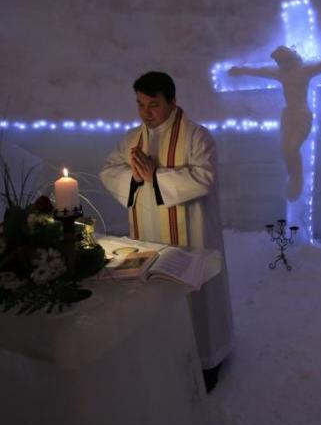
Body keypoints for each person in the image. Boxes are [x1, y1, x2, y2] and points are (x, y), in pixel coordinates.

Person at [100, 71, 234, 392]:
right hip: (149, 234)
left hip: (192, 234)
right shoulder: (132, 139)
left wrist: (155, 177)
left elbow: (204, 178)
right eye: (140, 104)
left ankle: (207, 362)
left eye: (154, 104)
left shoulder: (197, 137)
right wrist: (134, 178)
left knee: (197, 296)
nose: (146, 112)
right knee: (155, 296)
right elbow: (108, 170)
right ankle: (162, 356)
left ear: (173, 102)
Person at [229, 46, 321, 200]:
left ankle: (297, 180)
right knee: (285, 150)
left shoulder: (305, 70)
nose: (280, 65)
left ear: (290, 59)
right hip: (288, 116)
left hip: (301, 115)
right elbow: (260, 71)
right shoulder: (279, 73)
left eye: (282, 61)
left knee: (291, 150)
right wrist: (240, 70)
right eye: (278, 62)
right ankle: (294, 179)